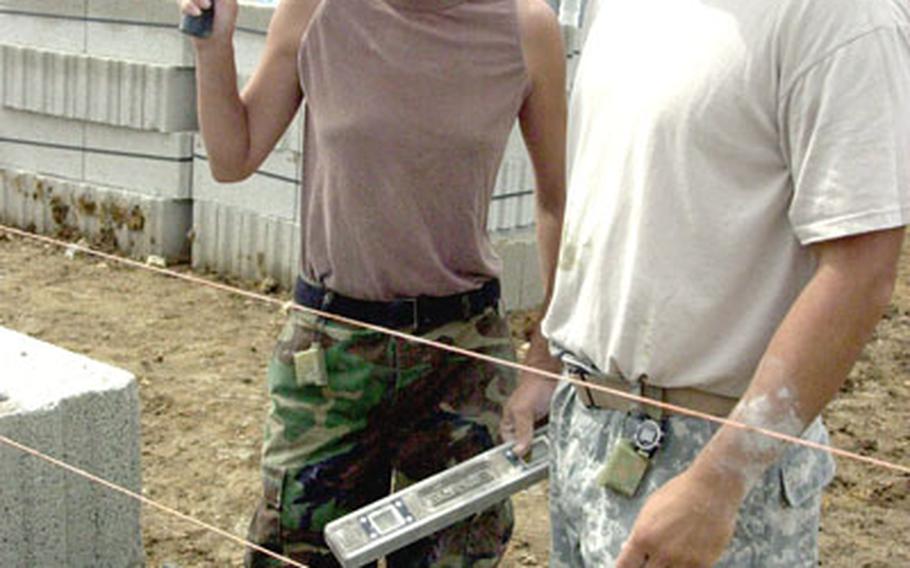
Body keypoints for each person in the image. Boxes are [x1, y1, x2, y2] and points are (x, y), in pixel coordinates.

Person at [177, 0, 567, 566]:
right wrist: (212, 45)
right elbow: (231, 157)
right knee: (296, 548)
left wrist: (544, 359)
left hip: (460, 359)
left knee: (455, 553)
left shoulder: (525, 27)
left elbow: (556, 202)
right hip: (331, 355)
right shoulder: (316, 10)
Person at [536, 0, 910, 566]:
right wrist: (550, 365)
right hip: (585, 428)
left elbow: (861, 271)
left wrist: (720, 481)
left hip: (705, 451)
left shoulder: (840, 17)